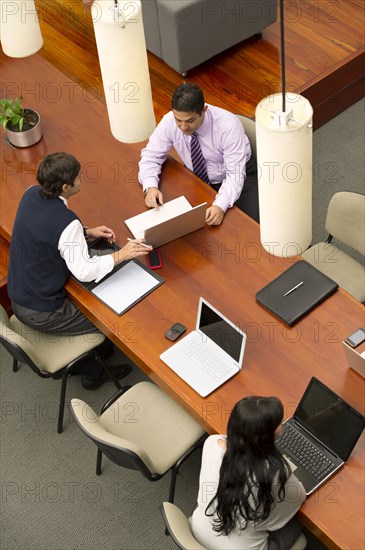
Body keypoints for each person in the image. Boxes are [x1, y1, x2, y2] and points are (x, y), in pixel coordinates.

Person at [8, 152, 152, 389]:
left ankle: (100, 353)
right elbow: (84, 271)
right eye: (78, 177)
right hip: (43, 311)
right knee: (109, 317)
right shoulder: (67, 222)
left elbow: (43, 229)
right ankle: (92, 371)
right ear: (66, 186)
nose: (81, 179)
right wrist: (123, 254)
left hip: (19, 295)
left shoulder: (30, 194)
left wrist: (86, 232)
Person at [190, 396, 306, 550]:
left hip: (199, 529)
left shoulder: (212, 442)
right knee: (299, 523)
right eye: (278, 423)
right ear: (265, 437)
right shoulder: (274, 474)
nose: (282, 422)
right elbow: (298, 497)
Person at [138, 83, 259, 225]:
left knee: (249, 225)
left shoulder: (228, 127)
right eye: (179, 120)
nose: (183, 127)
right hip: (197, 177)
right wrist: (150, 186)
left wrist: (219, 205)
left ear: (204, 110)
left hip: (237, 176)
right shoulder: (170, 120)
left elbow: (235, 175)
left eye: (190, 121)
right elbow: (151, 155)